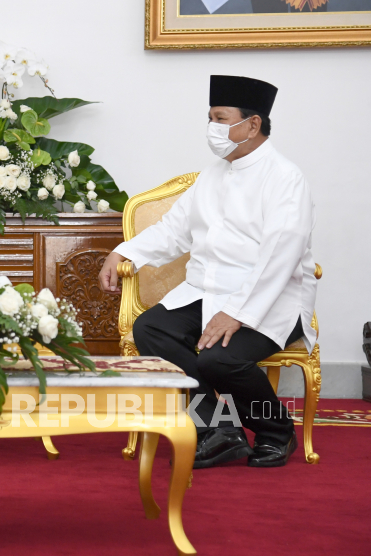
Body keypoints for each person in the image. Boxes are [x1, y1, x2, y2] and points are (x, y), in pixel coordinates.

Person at [99, 75, 317, 469]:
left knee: (217, 360)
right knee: (151, 329)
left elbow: (280, 257)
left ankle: (276, 432)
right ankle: (219, 429)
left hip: (269, 299)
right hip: (206, 290)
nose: (212, 129)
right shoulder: (211, 175)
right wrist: (122, 251)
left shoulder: (285, 178)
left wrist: (236, 313)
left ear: (253, 124)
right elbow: (174, 230)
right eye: (210, 118)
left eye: (221, 118)